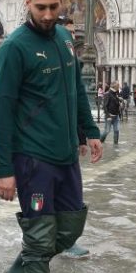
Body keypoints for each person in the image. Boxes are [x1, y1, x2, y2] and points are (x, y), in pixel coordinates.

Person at [0, 0, 103, 273]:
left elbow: (76, 90)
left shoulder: (64, 39)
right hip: (32, 159)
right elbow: (3, 112)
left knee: (69, 228)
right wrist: (4, 170)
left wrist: (89, 130)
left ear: (62, 3)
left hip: (66, 155)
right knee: (40, 241)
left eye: (53, 6)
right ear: (27, 4)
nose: (47, 13)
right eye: (40, 7)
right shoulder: (14, 47)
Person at [56, 14, 90, 259]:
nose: (72, 38)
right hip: (40, 143)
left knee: (72, 197)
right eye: (68, 33)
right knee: (45, 201)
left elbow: (77, 101)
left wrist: (84, 137)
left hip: (67, 141)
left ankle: (66, 240)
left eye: (74, 34)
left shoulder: (73, 62)